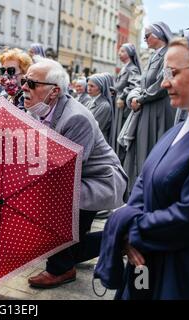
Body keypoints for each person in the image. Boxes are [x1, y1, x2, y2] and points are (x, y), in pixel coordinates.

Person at [95, 33, 189, 300]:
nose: (164, 83)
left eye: (172, 72)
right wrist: (129, 228)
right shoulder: (176, 131)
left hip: (180, 273)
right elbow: (143, 182)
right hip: (145, 263)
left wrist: (130, 231)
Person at [23, 59, 127, 289]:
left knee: (49, 206)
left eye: (31, 83)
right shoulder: (35, 111)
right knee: (68, 246)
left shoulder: (75, 117)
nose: (23, 87)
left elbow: (66, 172)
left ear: (54, 91)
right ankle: (120, 240)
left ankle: (61, 269)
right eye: (24, 81)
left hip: (96, 182)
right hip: (72, 180)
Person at [124, 22, 176, 194]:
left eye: (147, 36)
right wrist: (135, 96)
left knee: (154, 147)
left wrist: (141, 98)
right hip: (147, 107)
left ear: (159, 35)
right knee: (143, 148)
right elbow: (142, 82)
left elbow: (164, 83)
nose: (144, 39)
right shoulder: (154, 56)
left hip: (159, 109)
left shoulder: (170, 54)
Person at [110, 43, 142, 162]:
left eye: (123, 51)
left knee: (121, 133)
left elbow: (135, 84)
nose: (119, 53)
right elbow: (120, 86)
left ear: (129, 53)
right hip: (119, 105)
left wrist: (123, 97)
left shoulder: (132, 68)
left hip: (124, 108)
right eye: (119, 51)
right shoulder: (124, 67)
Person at [86, 73, 114, 143]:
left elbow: (95, 127)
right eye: (88, 85)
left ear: (100, 87)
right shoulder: (89, 101)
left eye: (92, 86)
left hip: (97, 143)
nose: (89, 88)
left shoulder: (105, 105)